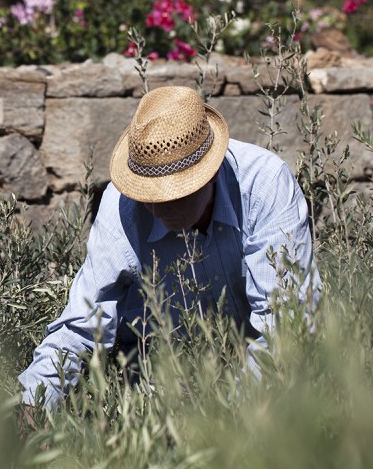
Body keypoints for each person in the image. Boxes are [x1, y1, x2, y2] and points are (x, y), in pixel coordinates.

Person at [18, 85, 318, 414]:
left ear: (212, 171)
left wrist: (229, 419)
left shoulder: (265, 184)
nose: (159, 208)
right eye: (149, 195)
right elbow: (83, 324)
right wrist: (34, 402)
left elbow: (285, 324)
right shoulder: (121, 207)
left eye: (178, 193)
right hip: (160, 391)